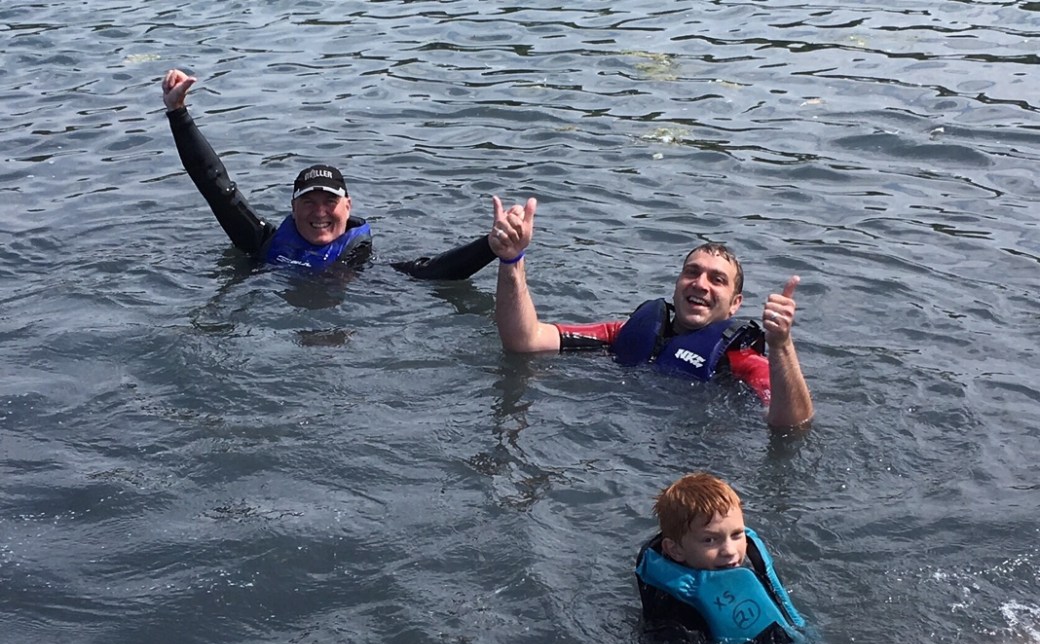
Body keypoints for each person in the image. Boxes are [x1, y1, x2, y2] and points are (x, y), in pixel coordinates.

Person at [486, 196, 814, 429]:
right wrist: (512, 260)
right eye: (692, 272)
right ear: (677, 284)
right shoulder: (625, 333)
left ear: (735, 304)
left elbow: (791, 423)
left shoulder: (742, 361)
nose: (700, 284)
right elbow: (525, 340)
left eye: (717, 280)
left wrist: (782, 344)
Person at [161, 69, 496, 278]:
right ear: (293, 208)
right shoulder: (262, 243)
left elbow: (433, 272)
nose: (319, 212)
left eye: (329, 202)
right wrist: (178, 113)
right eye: (308, 201)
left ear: (348, 207)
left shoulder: (363, 266)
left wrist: (492, 245)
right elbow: (215, 185)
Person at [634, 472, 805, 644]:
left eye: (736, 535)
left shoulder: (747, 574)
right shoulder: (673, 615)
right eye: (709, 540)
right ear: (675, 550)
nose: (729, 551)